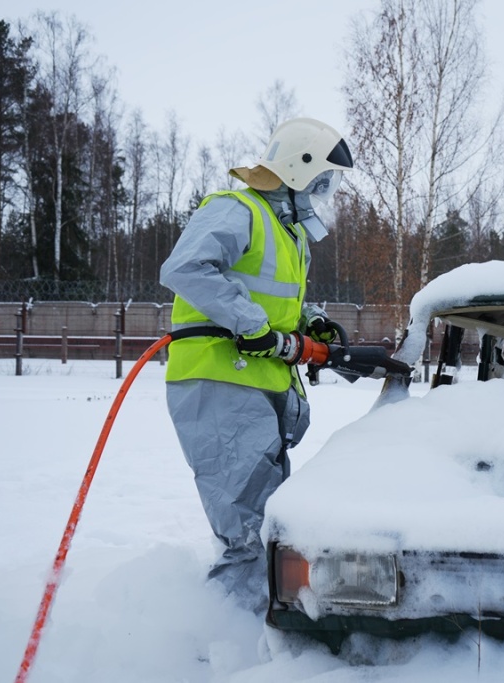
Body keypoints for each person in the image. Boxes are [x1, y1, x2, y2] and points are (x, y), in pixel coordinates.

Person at [160, 117, 353, 612]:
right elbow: (186, 269)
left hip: (256, 385)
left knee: (268, 532)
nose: (326, 195)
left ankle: (257, 634)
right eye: (323, 182)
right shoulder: (237, 208)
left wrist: (312, 323)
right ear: (297, 170)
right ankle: (225, 642)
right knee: (250, 540)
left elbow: (271, 306)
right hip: (221, 379)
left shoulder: (291, 237)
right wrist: (253, 326)